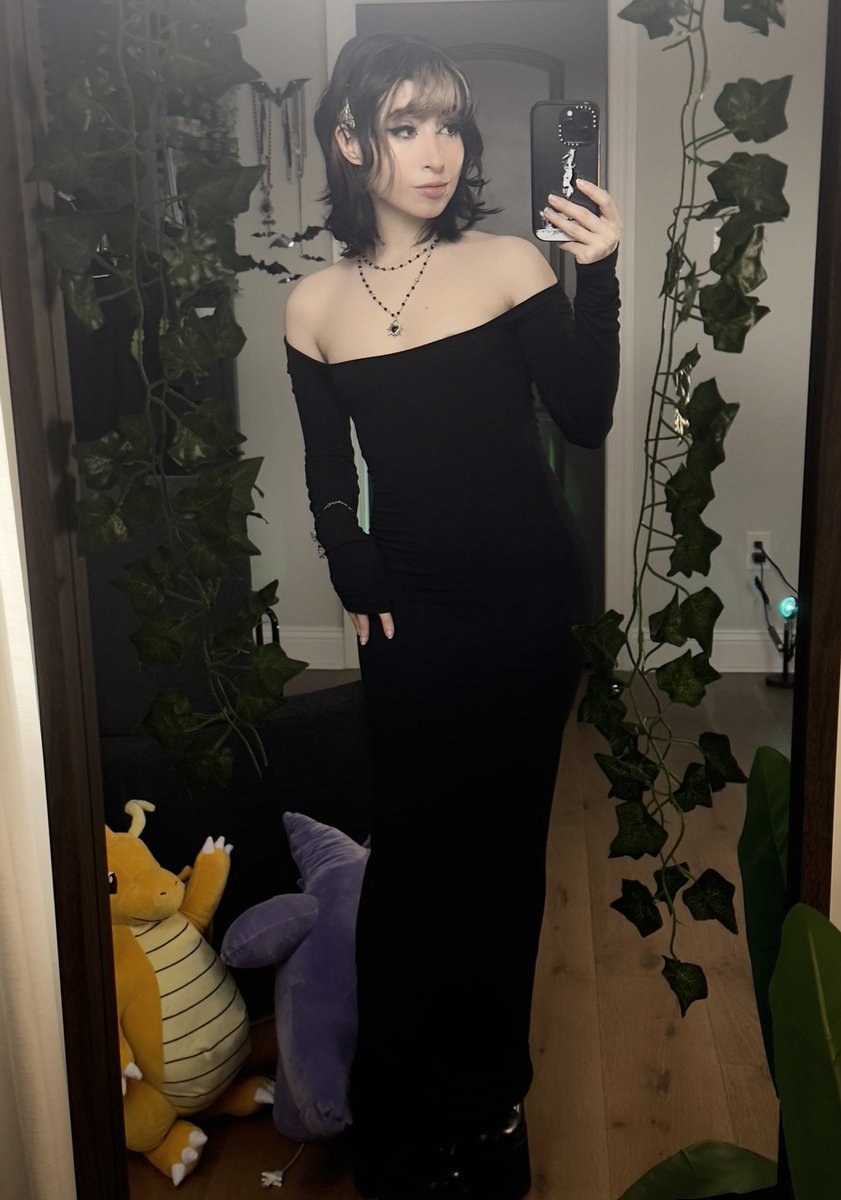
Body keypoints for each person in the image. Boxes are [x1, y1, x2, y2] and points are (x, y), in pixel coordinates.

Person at [284, 32, 621, 1200]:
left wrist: (597, 273)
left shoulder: (509, 264)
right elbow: (327, 467)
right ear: (350, 141)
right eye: (405, 126)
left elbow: (584, 417)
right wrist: (350, 560)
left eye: (449, 127)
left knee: (501, 864)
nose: (436, 153)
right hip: (410, 614)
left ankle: (486, 1115)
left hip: (527, 605)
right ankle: (395, 1110)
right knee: (415, 862)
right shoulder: (313, 306)